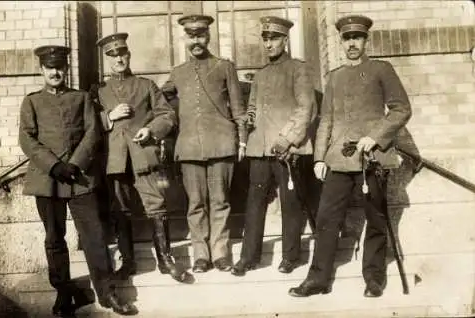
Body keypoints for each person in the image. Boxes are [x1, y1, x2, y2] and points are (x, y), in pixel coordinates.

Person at [288, 14, 412, 298]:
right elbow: (327, 120)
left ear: (365, 40)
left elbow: (401, 109)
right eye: (347, 38)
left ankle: (374, 278)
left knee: (376, 218)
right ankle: (318, 279)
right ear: (341, 42)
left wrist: (375, 137)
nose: (352, 43)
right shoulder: (335, 77)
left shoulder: (382, 70)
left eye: (357, 37)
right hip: (339, 160)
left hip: (373, 158)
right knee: (326, 218)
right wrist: (320, 158)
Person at [19, 45, 138, 317]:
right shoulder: (32, 101)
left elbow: (93, 131)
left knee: (94, 235)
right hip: (48, 179)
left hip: (80, 178)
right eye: (50, 68)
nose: (56, 72)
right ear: (42, 70)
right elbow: (27, 138)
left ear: (66, 69)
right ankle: (64, 293)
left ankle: (108, 293)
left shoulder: (82, 98)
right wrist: (54, 165)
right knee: (54, 239)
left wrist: (75, 163)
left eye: (60, 67)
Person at [93, 32, 189, 283]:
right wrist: (108, 117)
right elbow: (88, 124)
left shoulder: (146, 86)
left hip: (144, 155)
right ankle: (128, 262)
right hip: (115, 160)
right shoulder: (99, 92)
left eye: (121, 53)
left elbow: (168, 115)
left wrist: (152, 130)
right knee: (121, 210)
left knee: (156, 204)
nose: (118, 59)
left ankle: (166, 260)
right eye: (112, 55)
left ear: (128, 54)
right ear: (106, 60)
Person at [230, 16, 318, 277]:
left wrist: (287, 139)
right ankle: (248, 258)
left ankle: (290, 257)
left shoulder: (298, 70)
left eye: (274, 39)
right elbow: (254, 108)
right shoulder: (261, 75)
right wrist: (248, 120)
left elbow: (306, 109)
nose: (269, 44)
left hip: (287, 149)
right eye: (265, 39)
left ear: (285, 40)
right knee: (254, 202)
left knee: (290, 203)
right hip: (260, 149)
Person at [162, 15, 247, 273]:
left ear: (208, 37)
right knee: (195, 203)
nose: (196, 41)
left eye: (200, 35)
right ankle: (201, 255)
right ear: (184, 39)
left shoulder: (224, 67)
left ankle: (220, 253)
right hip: (189, 147)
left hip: (221, 143)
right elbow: (158, 100)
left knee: (220, 201)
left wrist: (242, 140)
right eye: (191, 36)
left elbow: (238, 106)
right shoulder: (177, 73)